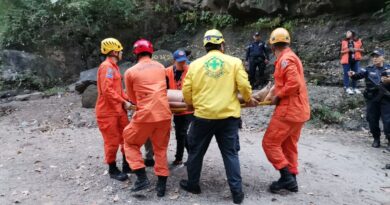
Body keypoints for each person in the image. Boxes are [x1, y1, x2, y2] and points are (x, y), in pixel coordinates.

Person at [180, 29, 258, 204]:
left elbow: (186, 90)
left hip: (202, 117)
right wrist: (248, 99)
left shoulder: (195, 64)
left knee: (196, 152)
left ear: (206, 46)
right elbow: (244, 85)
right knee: (230, 154)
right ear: (222, 44)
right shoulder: (234, 62)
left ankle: (193, 185)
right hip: (228, 118)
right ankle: (237, 193)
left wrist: (190, 103)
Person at [262, 28, 310, 193]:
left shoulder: (285, 60)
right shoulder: (290, 57)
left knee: (269, 143)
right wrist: (271, 92)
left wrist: (278, 96)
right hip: (299, 111)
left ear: (272, 46)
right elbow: (283, 81)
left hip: (289, 110)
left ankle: (286, 178)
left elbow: (293, 83)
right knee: (289, 145)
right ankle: (292, 179)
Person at [123, 39, 172, 197]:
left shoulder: (130, 72)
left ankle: (142, 177)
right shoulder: (160, 67)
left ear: (135, 53)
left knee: (130, 142)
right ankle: (161, 186)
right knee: (161, 148)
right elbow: (166, 87)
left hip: (144, 116)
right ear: (151, 51)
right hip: (164, 115)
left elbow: (132, 99)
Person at [95, 38, 133, 181]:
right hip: (107, 112)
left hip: (118, 110)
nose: (122, 52)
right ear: (113, 51)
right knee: (112, 141)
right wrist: (123, 101)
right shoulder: (106, 67)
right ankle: (112, 169)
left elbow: (118, 90)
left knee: (126, 136)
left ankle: (126, 164)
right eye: (120, 50)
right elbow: (107, 91)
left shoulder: (114, 67)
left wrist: (128, 99)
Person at [348, 49, 390, 150]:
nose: (375, 58)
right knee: (372, 120)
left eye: (377, 56)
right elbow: (357, 76)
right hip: (372, 99)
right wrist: (352, 74)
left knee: (388, 121)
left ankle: (389, 141)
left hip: (386, 99)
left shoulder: (389, 68)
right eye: (373, 57)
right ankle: (376, 139)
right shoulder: (368, 69)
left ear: (383, 57)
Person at [166, 50, 193, 165]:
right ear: (174, 61)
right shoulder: (166, 72)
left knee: (182, 132)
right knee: (179, 134)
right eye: (180, 62)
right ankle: (181, 157)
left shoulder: (190, 70)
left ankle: (189, 157)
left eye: (184, 62)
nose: (183, 64)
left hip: (187, 107)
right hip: (174, 107)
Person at [340, 30, 364, 95]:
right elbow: (341, 51)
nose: (346, 33)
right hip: (346, 60)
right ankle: (347, 87)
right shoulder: (344, 41)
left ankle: (354, 88)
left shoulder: (358, 40)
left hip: (356, 59)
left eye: (348, 32)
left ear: (352, 33)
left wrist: (356, 49)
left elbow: (363, 49)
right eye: (346, 32)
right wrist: (348, 50)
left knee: (355, 74)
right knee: (346, 73)